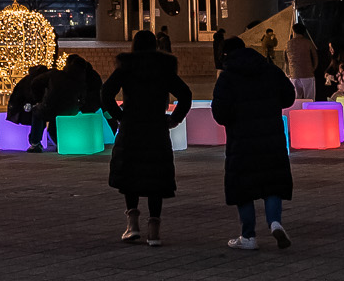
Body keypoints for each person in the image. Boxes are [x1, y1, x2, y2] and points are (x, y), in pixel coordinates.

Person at [101, 31, 192, 245]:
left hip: (132, 126)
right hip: (156, 127)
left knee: (130, 175)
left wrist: (119, 116)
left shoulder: (126, 66)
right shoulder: (164, 66)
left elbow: (106, 93)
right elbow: (185, 94)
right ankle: (154, 230)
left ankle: (132, 225)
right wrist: (174, 118)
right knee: (155, 177)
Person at [210, 35, 296, 250]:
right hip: (272, 137)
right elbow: (289, 97)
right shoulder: (270, 70)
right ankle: (275, 222)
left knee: (243, 186)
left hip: (242, 140)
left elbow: (220, 113)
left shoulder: (228, 78)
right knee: (272, 183)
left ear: (226, 54)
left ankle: (248, 236)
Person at [6, 62, 55, 151]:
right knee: (41, 114)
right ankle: (49, 140)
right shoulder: (44, 80)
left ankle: (35, 142)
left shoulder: (27, 80)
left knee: (40, 115)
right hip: (29, 108)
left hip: (25, 108)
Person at [287, 23, 319, 101]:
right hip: (307, 74)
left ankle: (297, 112)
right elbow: (315, 58)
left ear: (293, 32)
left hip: (294, 74)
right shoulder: (308, 43)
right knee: (310, 99)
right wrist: (313, 69)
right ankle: (309, 113)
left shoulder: (288, 44)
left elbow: (286, 59)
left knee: (296, 99)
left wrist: (289, 71)